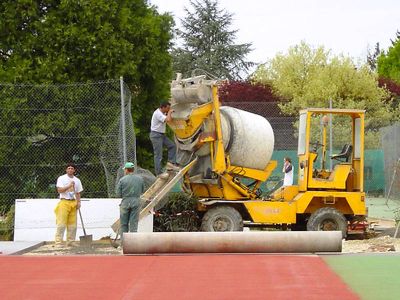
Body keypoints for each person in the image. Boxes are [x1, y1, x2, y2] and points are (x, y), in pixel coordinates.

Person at [54, 163, 83, 246]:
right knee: (61, 223)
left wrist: (79, 202)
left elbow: (78, 193)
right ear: (66, 170)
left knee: (72, 224)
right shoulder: (61, 178)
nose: (70, 170)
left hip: (73, 202)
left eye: (72, 168)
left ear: (74, 170)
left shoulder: (77, 180)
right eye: (68, 168)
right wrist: (69, 185)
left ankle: (71, 241)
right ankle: (58, 242)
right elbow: (59, 190)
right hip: (64, 202)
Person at [116, 162, 145, 238]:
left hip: (125, 202)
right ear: (133, 170)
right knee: (134, 224)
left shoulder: (122, 180)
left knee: (124, 224)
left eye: (124, 169)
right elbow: (142, 190)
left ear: (126, 170)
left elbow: (118, 194)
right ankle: (133, 245)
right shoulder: (140, 179)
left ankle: (123, 244)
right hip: (136, 202)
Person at [150, 101, 178, 175]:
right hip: (156, 135)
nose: (168, 110)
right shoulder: (158, 113)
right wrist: (169, 113)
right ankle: (159, 173)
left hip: (161, 135)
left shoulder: (163, 113)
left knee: (172, 146)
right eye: (167, 108)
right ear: (163, 107)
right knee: (158, 155)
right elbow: (168, 120)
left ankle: (170, 164)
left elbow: (169, 119)